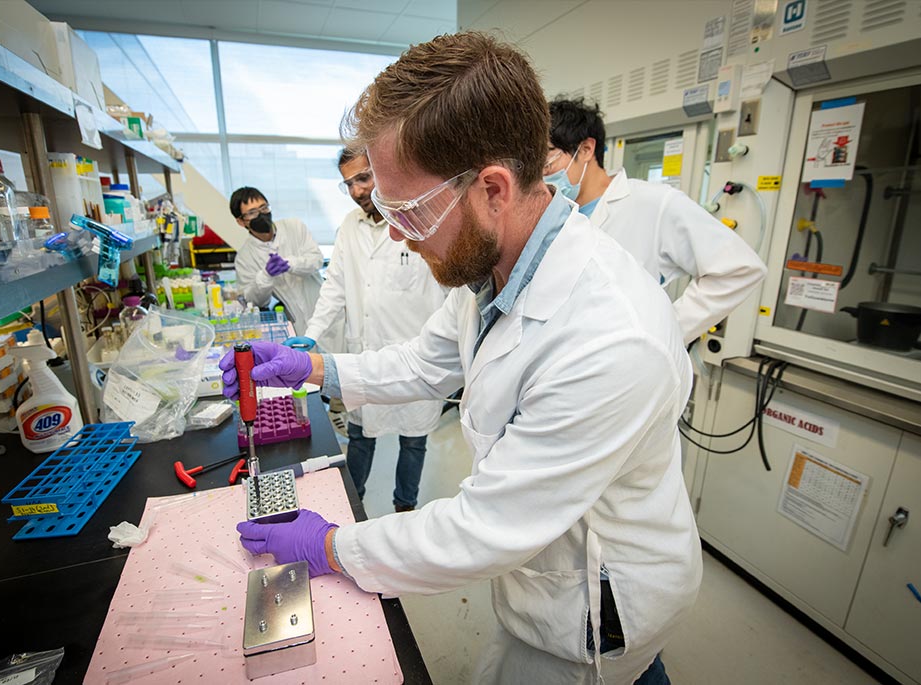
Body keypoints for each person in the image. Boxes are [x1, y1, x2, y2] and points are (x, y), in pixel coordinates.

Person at [220, 32, 700, 684]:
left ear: (493, 189)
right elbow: (423, 363)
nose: (392, 232)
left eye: (407, 211)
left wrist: (331, 545)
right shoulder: (493, 271)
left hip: (593, 611)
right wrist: (315, 369)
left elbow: (484, 526)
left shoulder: (607, 339)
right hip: (539, 570)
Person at [285, 149, 449, 513]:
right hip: (366, 352)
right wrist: (313, 332)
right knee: (360, 436)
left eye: (364, 178)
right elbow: (335, 286)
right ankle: (350, 505)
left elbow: (448, 289)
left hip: (415, 357)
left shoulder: (418, 220)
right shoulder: (349, 226)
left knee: (413, 441)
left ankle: (405, 508)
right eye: (349, 184)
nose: (358, 190)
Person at [544, 96, 767, 344]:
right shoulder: (559, 213)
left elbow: (739, 269)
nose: (542, 171)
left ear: (585, 149)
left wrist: (665, 331)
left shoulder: (653, 203)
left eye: (548, 157)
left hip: (627, 359)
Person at [230, 187, 324, 336]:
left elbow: (317, 260)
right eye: (252, 213)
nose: (261, 214)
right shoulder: (244, 257)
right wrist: (265, 276)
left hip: (324, 311)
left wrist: (291, 264)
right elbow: (253, 302)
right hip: (295, 322)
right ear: (241, 221)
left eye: (264, 207)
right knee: (308, 358)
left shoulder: (294, 227)